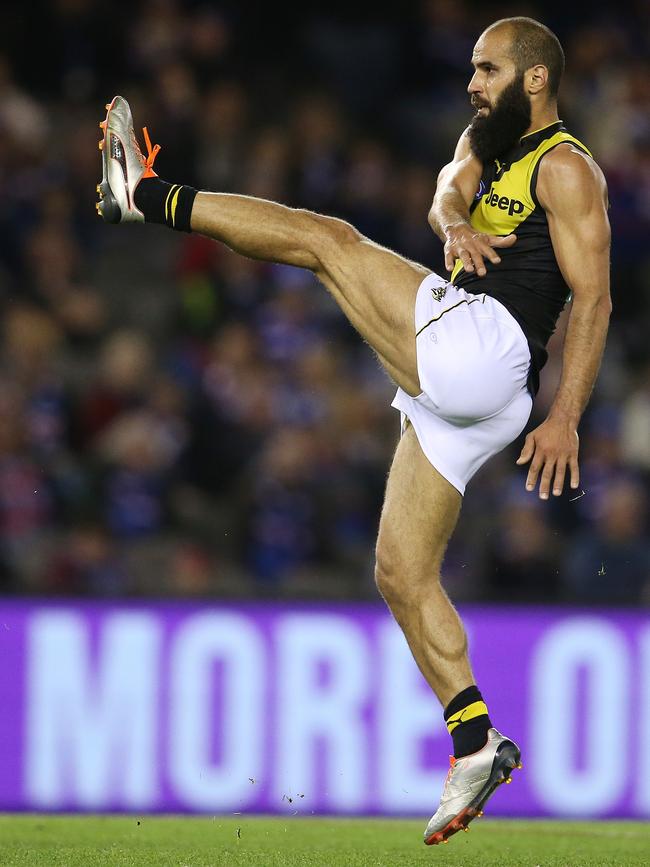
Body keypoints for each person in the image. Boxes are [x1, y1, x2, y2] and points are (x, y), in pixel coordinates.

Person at [96, 15, 611, 846]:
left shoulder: (567, 168)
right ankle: (476, 741)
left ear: (536, 79)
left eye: (488, 70)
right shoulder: (488, 141)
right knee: (400, 573)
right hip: (467, 389)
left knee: (325, 240)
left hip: (492, 347)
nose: (472, 83)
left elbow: (595, 299)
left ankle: (145, 195)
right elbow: (449, 185)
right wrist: (452, 222)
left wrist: (568, 417)